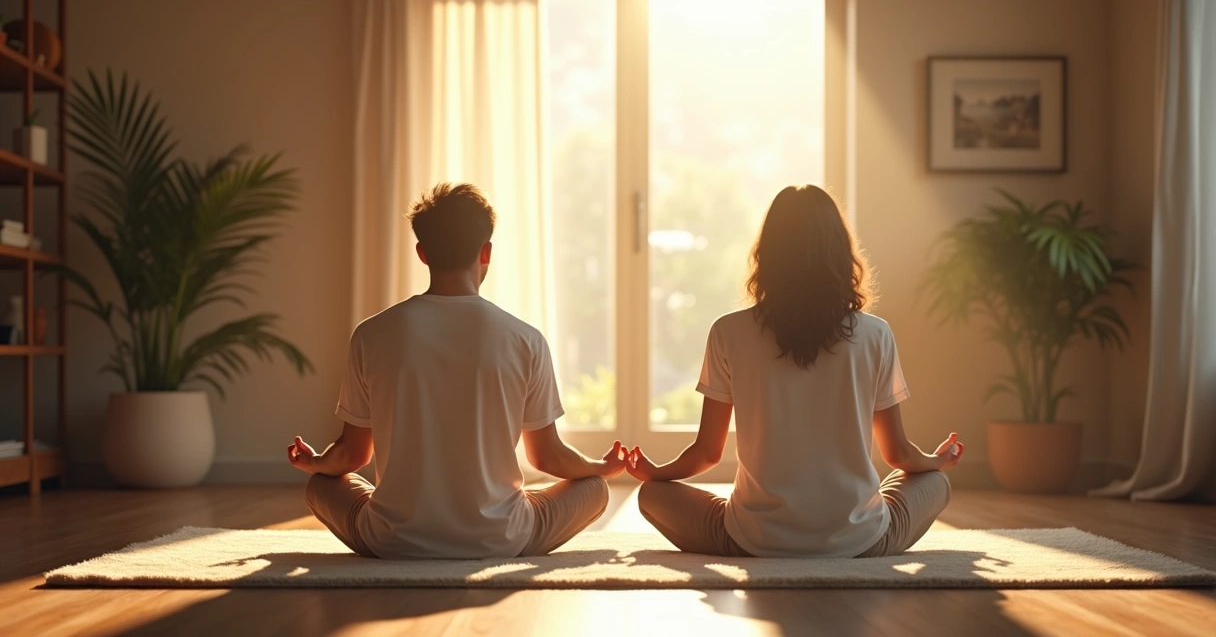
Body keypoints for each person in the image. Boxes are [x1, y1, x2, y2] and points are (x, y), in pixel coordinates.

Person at [288, 182, 627, 559]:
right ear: (486, 252)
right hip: (501, 538)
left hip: (391, 540)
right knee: (595, 488)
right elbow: (546, 458)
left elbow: (352, 456)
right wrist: (600, 466)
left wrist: (315, 462)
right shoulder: (525, 339)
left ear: (422, 253)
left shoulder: (371, 334)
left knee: (320, 485)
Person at [623, 184, 963, 558]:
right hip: (861, 542)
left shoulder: (728, 332)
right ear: (840, 253)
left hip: (753, 539)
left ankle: (761, 536)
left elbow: (707, 453)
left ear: (767, 253)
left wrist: (656, 473)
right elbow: (898, 453)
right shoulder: (875, 334)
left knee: (653, 495)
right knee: (934, 482)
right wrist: (938, 460)